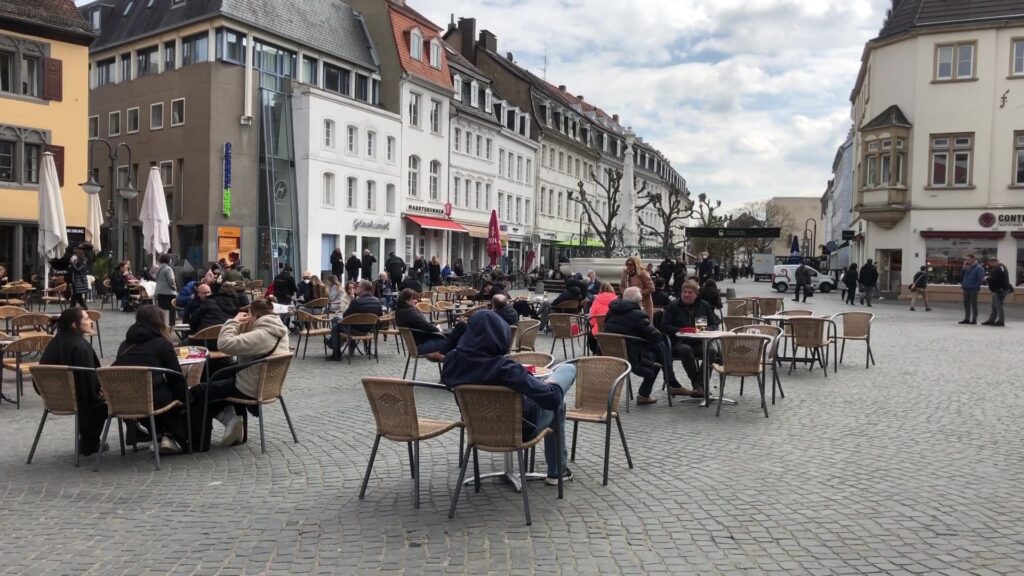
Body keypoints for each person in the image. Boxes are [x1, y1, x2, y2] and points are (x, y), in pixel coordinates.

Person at [441, 310, 576, 485]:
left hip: (477, 427)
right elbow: (551, 400)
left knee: (551, 395)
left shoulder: (452, 361)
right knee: (565, 380)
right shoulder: (504, 368)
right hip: (521, 427)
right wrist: (548, 386)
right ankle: (557, 472)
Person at [204, 299, 291, 448]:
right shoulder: (278, 329)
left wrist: (234, 321)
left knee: (202, 391)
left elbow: (224, 344)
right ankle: (232, 421)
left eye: (249, 315)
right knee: (218, 378)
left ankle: (202, 439)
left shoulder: (262, 334)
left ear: (255, 315)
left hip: (249, 387)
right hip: (265, 385)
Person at [113, 305, 189, 454]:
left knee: (160, 391)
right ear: (159, 320)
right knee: (173, 393)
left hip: (123, 400)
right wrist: (187, 396)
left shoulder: (125, 344)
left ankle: (160, 435)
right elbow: (175, 376)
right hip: (150, 400)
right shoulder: (162, 344)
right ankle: (169, 436)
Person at [39, 308, 106, 456]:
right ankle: (90, 442)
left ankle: (89, 441)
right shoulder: (80, 346)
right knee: (107, 404)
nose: (91, 322)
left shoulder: (55, 342)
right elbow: (89, 382)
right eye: (87, 319)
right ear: (75, 325)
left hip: (54, 399)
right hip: (81, 400)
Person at [605, 287, 684, 405]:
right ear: (638, 302)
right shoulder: (638, 315)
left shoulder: (611, 312)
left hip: (614, 354)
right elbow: (655, 336)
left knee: (659, 348)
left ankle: (668, 382)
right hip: (633, 357)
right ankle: (664, 384)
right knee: (661, 348)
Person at [660, 280, 720, 397]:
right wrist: (679, 330)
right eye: (684, 292)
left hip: (699, 340)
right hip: (679, 342)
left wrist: (706, 329)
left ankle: (699, 385)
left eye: (690, 292)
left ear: (696, 294)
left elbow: (714, 324)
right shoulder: (673, 306)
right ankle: (698, 386)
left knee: (712, 351)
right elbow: (664, 326)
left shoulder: (704, 306)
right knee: (685, 350)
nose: (686, 295)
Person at [329, 280, 382, 360]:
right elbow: (380, 316)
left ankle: (336, 354)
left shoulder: (356, 302)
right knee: (337, 322)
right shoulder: (377, 301)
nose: (356, 288)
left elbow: (345, 316)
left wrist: (352, 301)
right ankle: (348, 350)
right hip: (368, 330)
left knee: (336, 325)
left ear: (362, 288)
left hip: (354, 330)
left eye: (358, 286)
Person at [394, 288, 449, 360]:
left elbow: (423, 324)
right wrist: (437, 328)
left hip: (416, 344)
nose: (416, 301)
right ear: (406, 300)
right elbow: (428, 326)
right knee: (454, 339)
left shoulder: (399, 311)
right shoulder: (409, 312)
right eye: (413, 299)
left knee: (453, 334)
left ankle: (448, 361)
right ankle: (450, 362)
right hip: (422, 345)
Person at [983, 256, 1010, 327]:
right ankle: (991, 320)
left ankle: (1001, 321)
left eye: (993, 261)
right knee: (994, 306)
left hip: (999, 290)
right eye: (991, 261)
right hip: (999, 289)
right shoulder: (999, 268)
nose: (991, 263)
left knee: (998, 306)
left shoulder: (999, 268)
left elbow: (996, 280)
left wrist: (988, 278)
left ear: (996, 261)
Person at [959, 254, 985, 325]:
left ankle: (974, 319)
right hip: (966, 288)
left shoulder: (979, 268)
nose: (967, 261)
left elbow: (980, 279)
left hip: (973, 289)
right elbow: (961, 276)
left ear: (973, 259)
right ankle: (967, 318)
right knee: (966, 304)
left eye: (968, 259)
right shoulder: (966, 267)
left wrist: (976, 286)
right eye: (966, 259)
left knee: (974, 304)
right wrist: (963, 269)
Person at [154, 253, 177, 326]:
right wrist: (175, 288)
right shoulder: (168, 268)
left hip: (160, 292)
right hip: (169, 292)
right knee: (172, 309)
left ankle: (161, 323)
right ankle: (171, 324)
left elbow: (156, 278)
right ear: (169, 260)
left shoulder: (159, 268)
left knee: (161, 309)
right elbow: (171, 280)